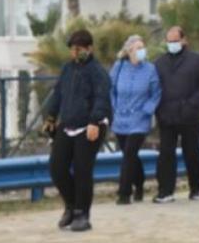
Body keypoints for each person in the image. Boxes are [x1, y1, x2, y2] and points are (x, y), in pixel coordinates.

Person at [42, 29, 111, 232]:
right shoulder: (67, 69)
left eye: (78, 49)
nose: (75, 52)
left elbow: (102, 99)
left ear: (89, 49)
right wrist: (51, 117)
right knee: (57, 168)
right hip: (68, 124)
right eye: (72, 49)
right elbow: (58, 95)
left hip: (90, 126)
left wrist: (94, 122)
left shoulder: (97, 72)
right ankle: (70, 206)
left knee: (82, 171)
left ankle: (82, 213)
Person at [153, 25, 199, 203]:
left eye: (175, 41)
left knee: (191, 152)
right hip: (167, 116)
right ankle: (165, 191)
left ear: (184, 40)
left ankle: (195, 188)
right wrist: (158, 110)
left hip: (190, 116)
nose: (172, 44)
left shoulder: (197, 61)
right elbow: (155, 88)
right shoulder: (159, 63)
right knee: (166, 154)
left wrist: (191, 104)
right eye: (169, 41)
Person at [109, 35, 161, 204]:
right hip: (120, 118)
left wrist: (147, 109)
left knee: (130, 152)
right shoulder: (119, 67)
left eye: (142, 47)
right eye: (137, 48)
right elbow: (111, 89)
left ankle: (124, 193)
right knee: (129, 155)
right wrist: (114, 106)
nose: (141, 51)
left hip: (140, 119)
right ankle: (139, 183)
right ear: (129, 51)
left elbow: (156, 93)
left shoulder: (150, 69)